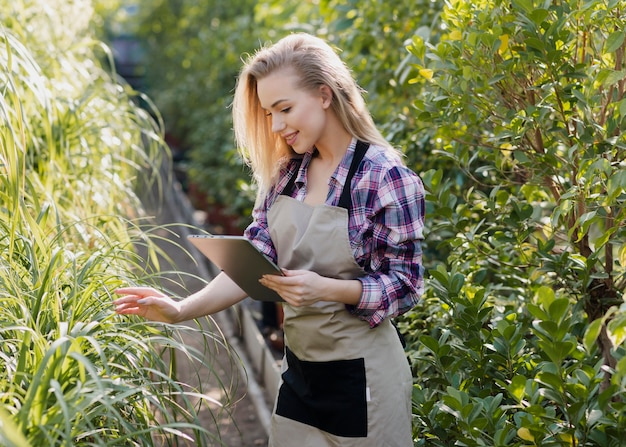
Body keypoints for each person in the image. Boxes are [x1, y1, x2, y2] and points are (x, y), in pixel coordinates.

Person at [114, 32, 425, 447]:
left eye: (285, 109)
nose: (277, 126)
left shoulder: (384, 177)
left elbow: (406, 285)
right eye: (268, 114)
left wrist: (326, 290)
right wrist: (179, 310)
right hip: (299, 377)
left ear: (325, 95)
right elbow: (253, 261)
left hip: (365, 381)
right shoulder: (287, 175)